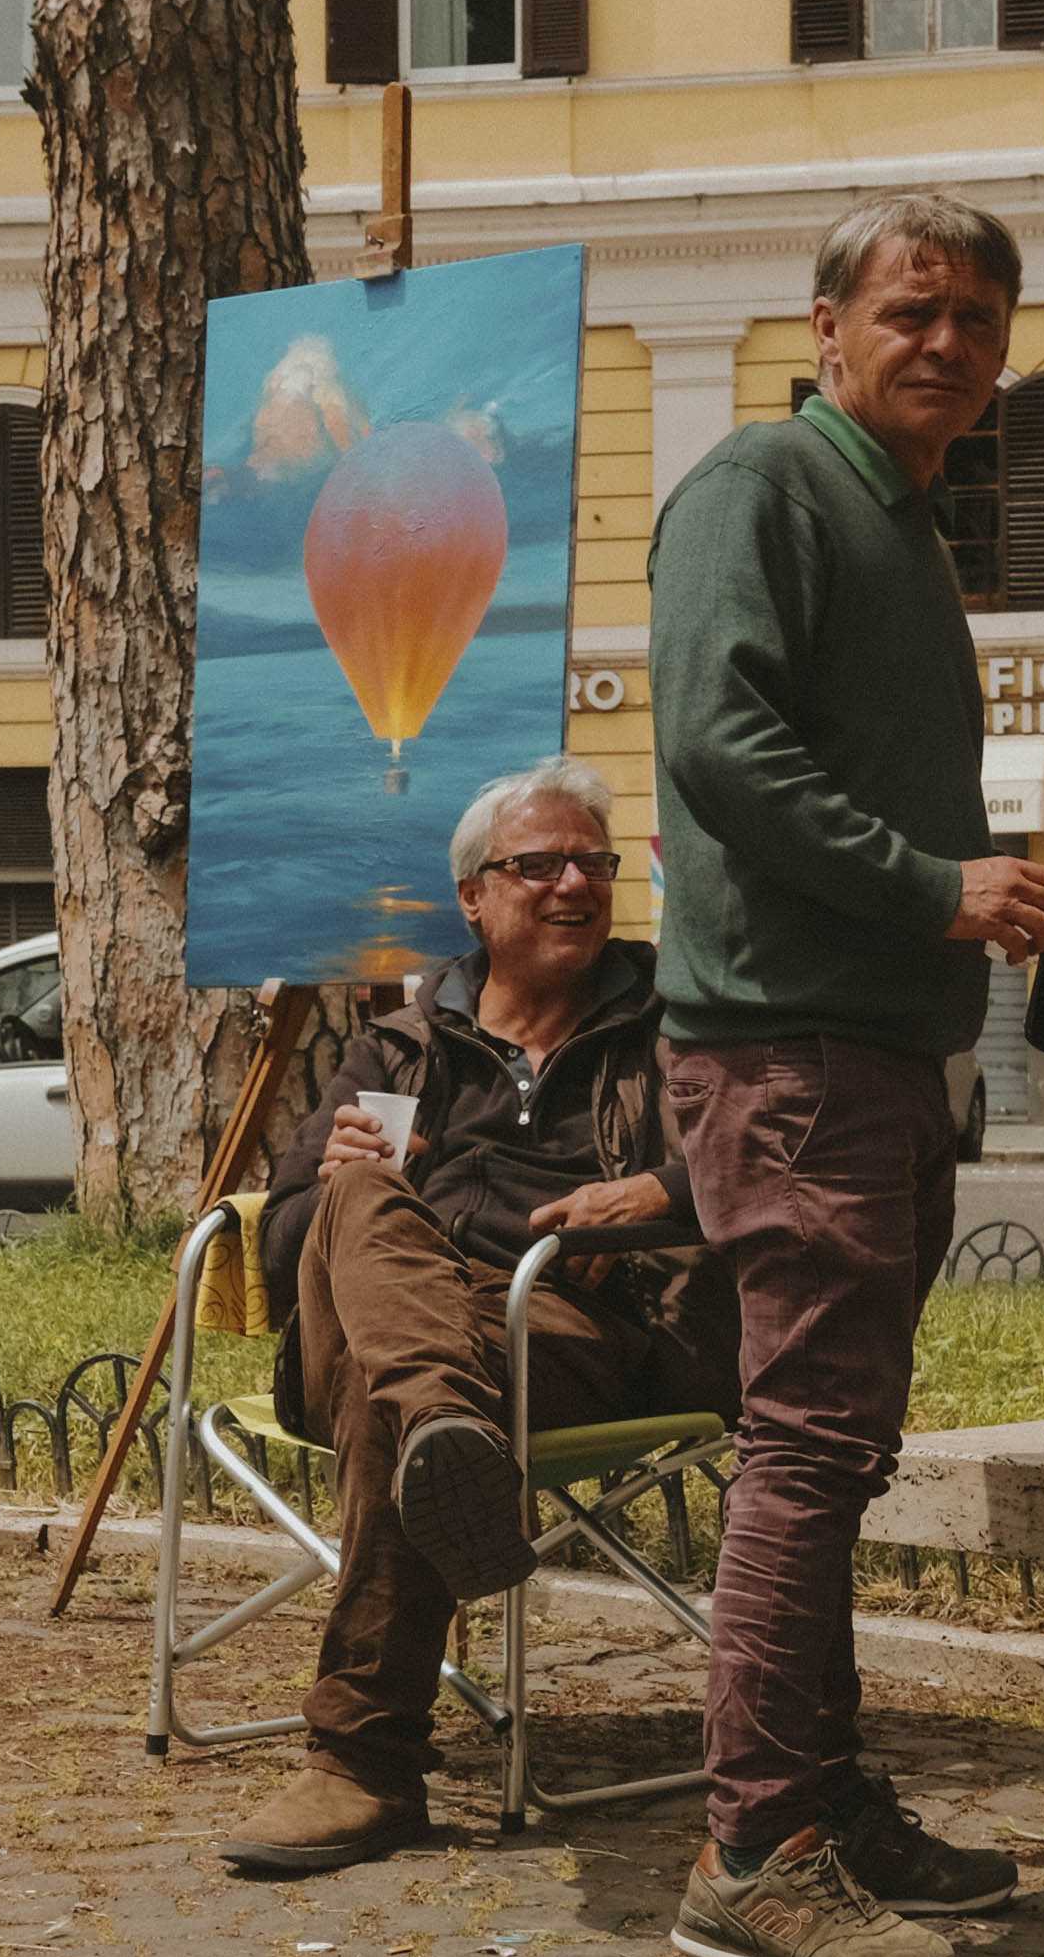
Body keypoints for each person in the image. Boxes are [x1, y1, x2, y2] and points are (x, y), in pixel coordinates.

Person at [651, 190, 1044, 1957]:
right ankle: (757, 1852)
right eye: (915, 309)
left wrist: (990, 887)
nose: (950, 344)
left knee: (832, 1448)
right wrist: (936, 884)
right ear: (829, 323)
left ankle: (824, 1801)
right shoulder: (762, 486)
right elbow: (716, 739)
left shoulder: (893, 517)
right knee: (808, 1448)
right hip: (792, 1049)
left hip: (864, 1047)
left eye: (985, 322)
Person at [217, 758, 736, 1875]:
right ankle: (444, 1421)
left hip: (574, 1333)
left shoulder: (673, 1029)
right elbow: (278, 1244)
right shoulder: (396, 1049)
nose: (572, 886)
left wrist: (658, 1196)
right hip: (407, 1327)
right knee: (354, 1192)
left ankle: (361, 1768)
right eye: (537, 865)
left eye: (591, 864)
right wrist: (329, 1184)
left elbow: (762, 1169)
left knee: (391, 1390)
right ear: (472, 897)